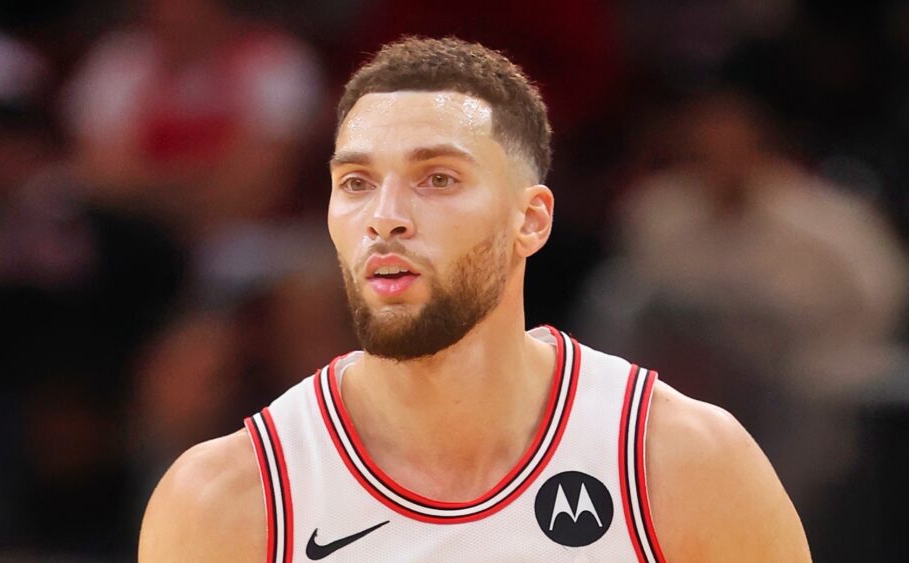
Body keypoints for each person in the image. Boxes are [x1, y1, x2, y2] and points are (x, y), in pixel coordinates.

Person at [139, 37, 810, 562]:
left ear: (531, 220)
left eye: (437, 177)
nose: (386, 216)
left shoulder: (681, 461)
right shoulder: (228, 500)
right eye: (357, 182)